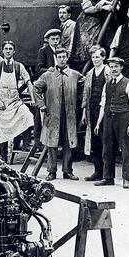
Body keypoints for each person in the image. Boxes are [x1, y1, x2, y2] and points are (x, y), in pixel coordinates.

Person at [34, 47, 82, 181]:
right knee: (52, 143)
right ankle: (52, 171)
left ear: (67, 58)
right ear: (56, 58)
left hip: (69, 114)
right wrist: (42, 105)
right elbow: (36, 88)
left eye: (64, 57)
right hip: (53, 114)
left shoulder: (74, 75)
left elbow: (85, 87)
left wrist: (80, 104)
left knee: (68, 142)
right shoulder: (47, 75)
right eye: (59, 57)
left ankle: (68, 171)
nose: (62, 59)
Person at [95, 57, 129, 188]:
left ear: (121, 67)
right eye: (111, 67)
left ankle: (127, 177)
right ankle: (108, 177)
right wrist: (98, 123)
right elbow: (103, 104)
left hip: (123, 118)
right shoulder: (107, 84)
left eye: (116, 66)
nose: (113, 69)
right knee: (107, 148)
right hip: (109, 118)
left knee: (126, 148)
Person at [0, 41, 34, 161]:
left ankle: (26, 143)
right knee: (3, 131)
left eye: (10, 49)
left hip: (15, 101)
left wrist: (33, 98)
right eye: (6, 49)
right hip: (2, 102)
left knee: (27, 116)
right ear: (3, 51)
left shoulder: (18, 66)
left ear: (14, 51)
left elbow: (28, 82)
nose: (8, 51)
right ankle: (3, 158)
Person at [81, 46, 111, 182]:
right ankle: (97, 171)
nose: (95, 59)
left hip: (105, 111)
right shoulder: (89, 73)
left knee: (106, 141)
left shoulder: (108, 72)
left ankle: (107, 174)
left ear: (103, 57)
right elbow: (85, 95)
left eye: (98, 57)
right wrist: (83, 112)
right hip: (92, 111)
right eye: (93, 57)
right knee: (95, 142)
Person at [75, 0, 115, 65]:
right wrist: (100, 8)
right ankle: (86, 65)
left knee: (107, 42)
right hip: (90, 21)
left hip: (106, 20)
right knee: (88, 44)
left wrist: (104, 2)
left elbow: (115, 6)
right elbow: (86, 8)